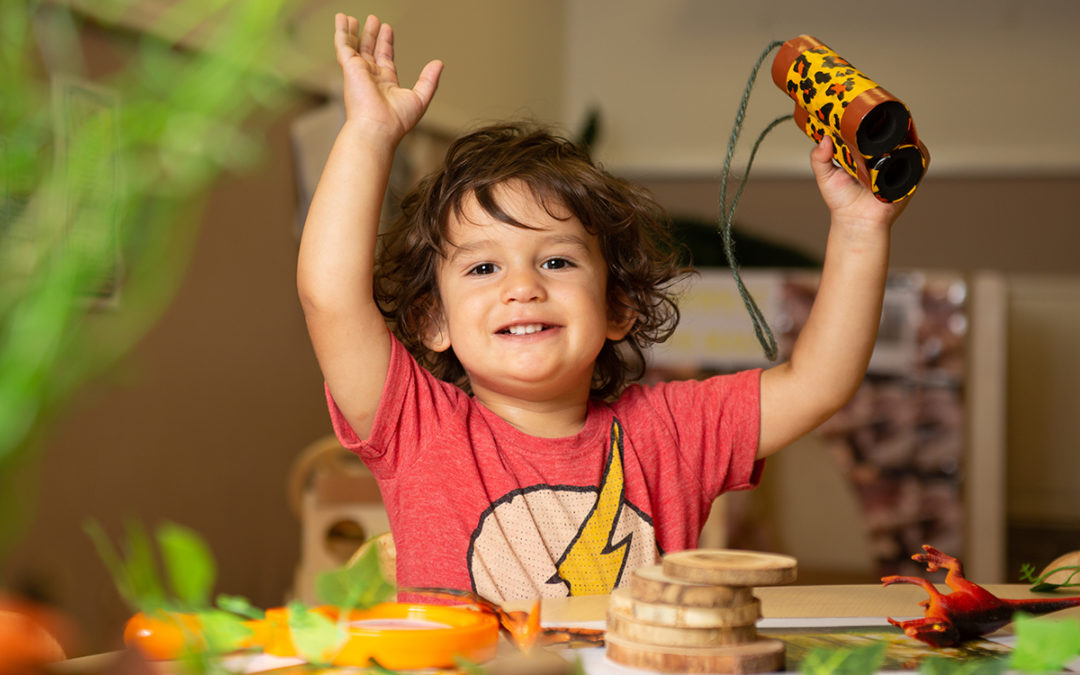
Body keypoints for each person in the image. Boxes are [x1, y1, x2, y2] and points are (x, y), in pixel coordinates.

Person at [297, 13, 907, 601]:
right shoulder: (417, 427)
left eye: (556, 262)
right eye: (484, 267)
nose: (522, 286)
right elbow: (330, 298)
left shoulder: (673, 433)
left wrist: (859, 230)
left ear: (617, 306)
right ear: (434, 321)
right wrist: (369, 135)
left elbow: (821, 382)